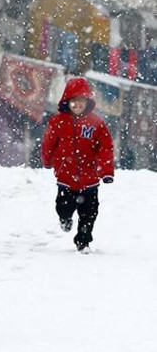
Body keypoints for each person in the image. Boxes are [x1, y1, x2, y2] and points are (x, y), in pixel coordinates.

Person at [41, 77, 114, 253]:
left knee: (89, 213)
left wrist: (106, 171)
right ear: (67, 102)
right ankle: (65, 219)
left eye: (81, 101)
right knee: (63, 206)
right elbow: (49, 142)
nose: (77, 105)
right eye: (73, 101)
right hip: (66, 176)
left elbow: (105, 147)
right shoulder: (57, 121)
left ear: (87, 102)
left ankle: (83, 242)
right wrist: (47, 159)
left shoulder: (97, 124)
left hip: (90, 180)